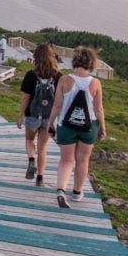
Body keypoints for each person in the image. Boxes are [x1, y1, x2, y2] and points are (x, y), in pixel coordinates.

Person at [47, 46, 107, 208]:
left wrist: (50, 122)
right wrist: (102, 127)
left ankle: (61, 189)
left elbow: (57, 105)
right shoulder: (95, 83)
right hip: (88, 128)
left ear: (75, 61)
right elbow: (98, 109)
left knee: (66, 160)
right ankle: (77, 192)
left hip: (66, 126)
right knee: (83, 160)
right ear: (91, 63)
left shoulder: (64, 80)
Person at [17, 43, 61, 187]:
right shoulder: (58, 77)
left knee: (29, 140)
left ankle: (31, 160)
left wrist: (20, 115)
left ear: (35, 57)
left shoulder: (31, 75)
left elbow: (26, 98)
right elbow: (60, 101)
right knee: (42, 149)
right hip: (49, 118)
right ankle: (40, 178)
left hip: (32, 116)